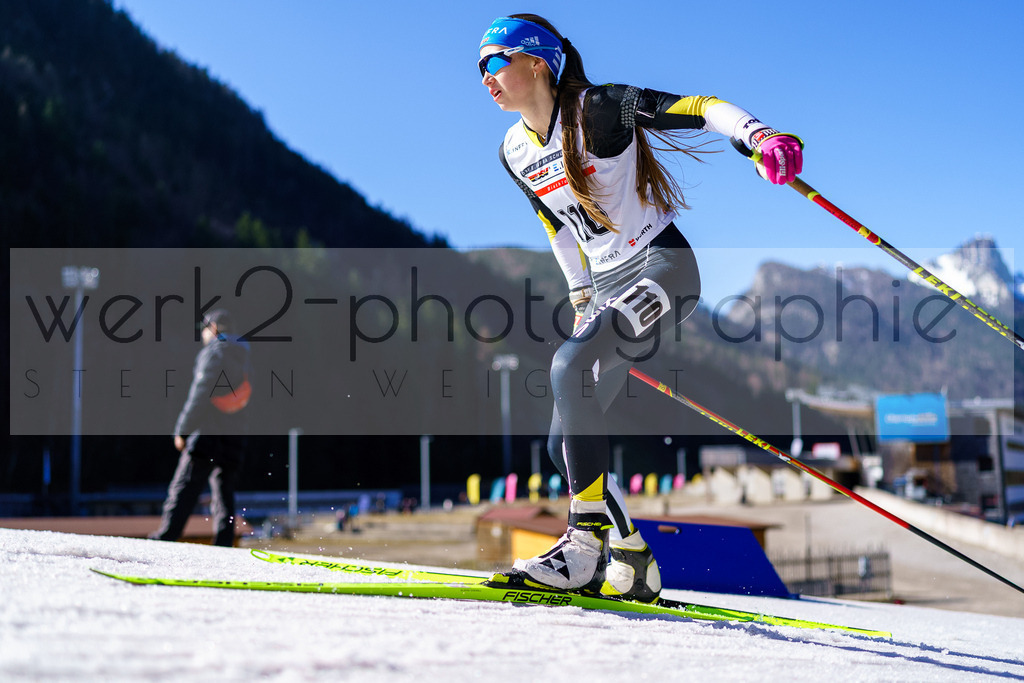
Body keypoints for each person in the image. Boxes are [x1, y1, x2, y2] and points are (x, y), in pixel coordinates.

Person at [478, 14, 803, 601]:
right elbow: (554, 223)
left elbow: (700, 107)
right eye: (479, 68)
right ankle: (631, 554)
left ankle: (582, 547)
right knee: (564, 444)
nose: (486, 77)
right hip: (604, 287)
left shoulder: (598, 109)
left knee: (568, 367)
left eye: (495, 61)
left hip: (663, 271)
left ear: (537, 61)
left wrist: (759, 136)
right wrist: (581, 296)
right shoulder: (512, 150)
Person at [151, 309, 252, 547]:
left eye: (205, 331)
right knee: (224, 494)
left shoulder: (214, 354)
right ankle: (224, 546)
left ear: (214, 329)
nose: (203, 336)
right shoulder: (245, 357)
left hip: (208, 435)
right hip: (235, 436)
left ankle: (163, 540)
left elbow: (199, 394)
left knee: (183, 488)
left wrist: (182, 430)